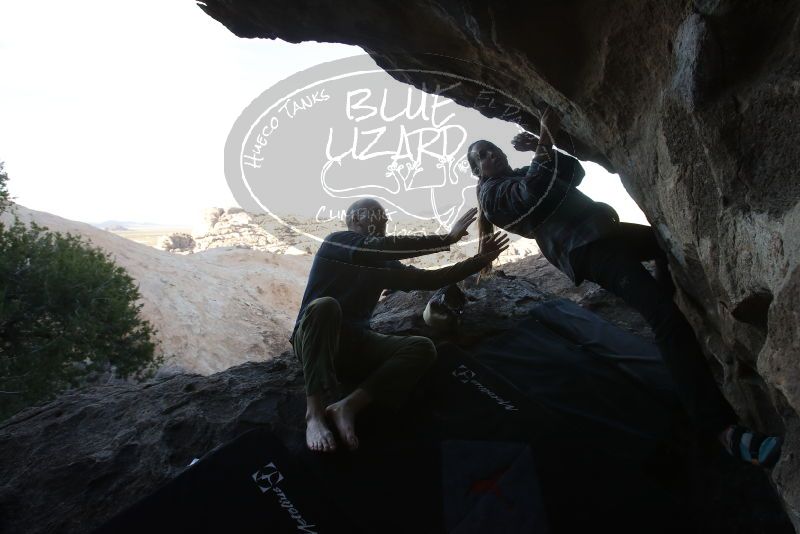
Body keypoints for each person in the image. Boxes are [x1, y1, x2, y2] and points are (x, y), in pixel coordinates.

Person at [467, 108, 782, 468]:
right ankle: (725, 432)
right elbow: (530, 195)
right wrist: (544, 141)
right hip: (587, 248)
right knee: (665, 321)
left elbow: (576, 174)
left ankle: (666, 302)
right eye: (482, 156)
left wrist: (547, 149)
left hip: (603, 234)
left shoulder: (522, 172)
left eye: (492, 149)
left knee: (665, 245)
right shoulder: (493, 196)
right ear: (478, 172)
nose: (491, 155)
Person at [291, 198, 508, 452]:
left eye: (384, 216)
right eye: (376, 214)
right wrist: (446, 239)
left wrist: (479, 260)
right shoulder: (336, 242)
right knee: (326, 306)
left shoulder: (384, 264)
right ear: (356, 220)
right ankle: (314, 414)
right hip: (314, 337)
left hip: (355, 344)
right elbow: (380, 247)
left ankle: (348, 405)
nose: (384, 219)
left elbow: (429, 279)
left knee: (422, 347)